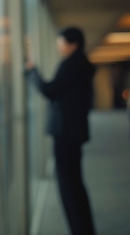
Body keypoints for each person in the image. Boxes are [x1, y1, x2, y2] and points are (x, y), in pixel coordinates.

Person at [25, 26, 96, 235]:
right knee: (74, 183)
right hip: (74, 130)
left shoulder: (70, 66)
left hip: (65, 130)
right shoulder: (82, 65)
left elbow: (49, 90)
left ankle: (79, 230)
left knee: (68, 186)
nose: (59, 47)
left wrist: (32, 73)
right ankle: (84, 229)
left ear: (73, 44)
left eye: (61, 43)